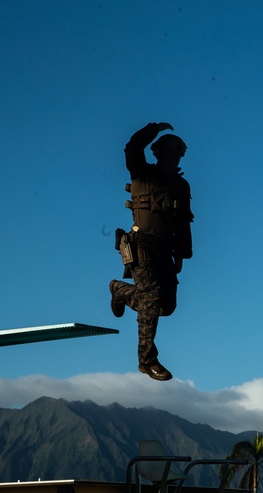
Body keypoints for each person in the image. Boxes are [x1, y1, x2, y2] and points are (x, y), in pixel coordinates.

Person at [110, 121, 194, 381]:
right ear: (158, 154)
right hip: (141, 245)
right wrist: (154, 128)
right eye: (169, 155)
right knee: (152, 297)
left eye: (177, 156)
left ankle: (119, 290)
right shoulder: (142, 173)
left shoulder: (181, 186)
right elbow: (133, 146)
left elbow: (183, 222)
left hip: (165, 250)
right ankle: (147, 360)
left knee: (166, 306)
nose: (173, 160)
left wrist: (182, 254)